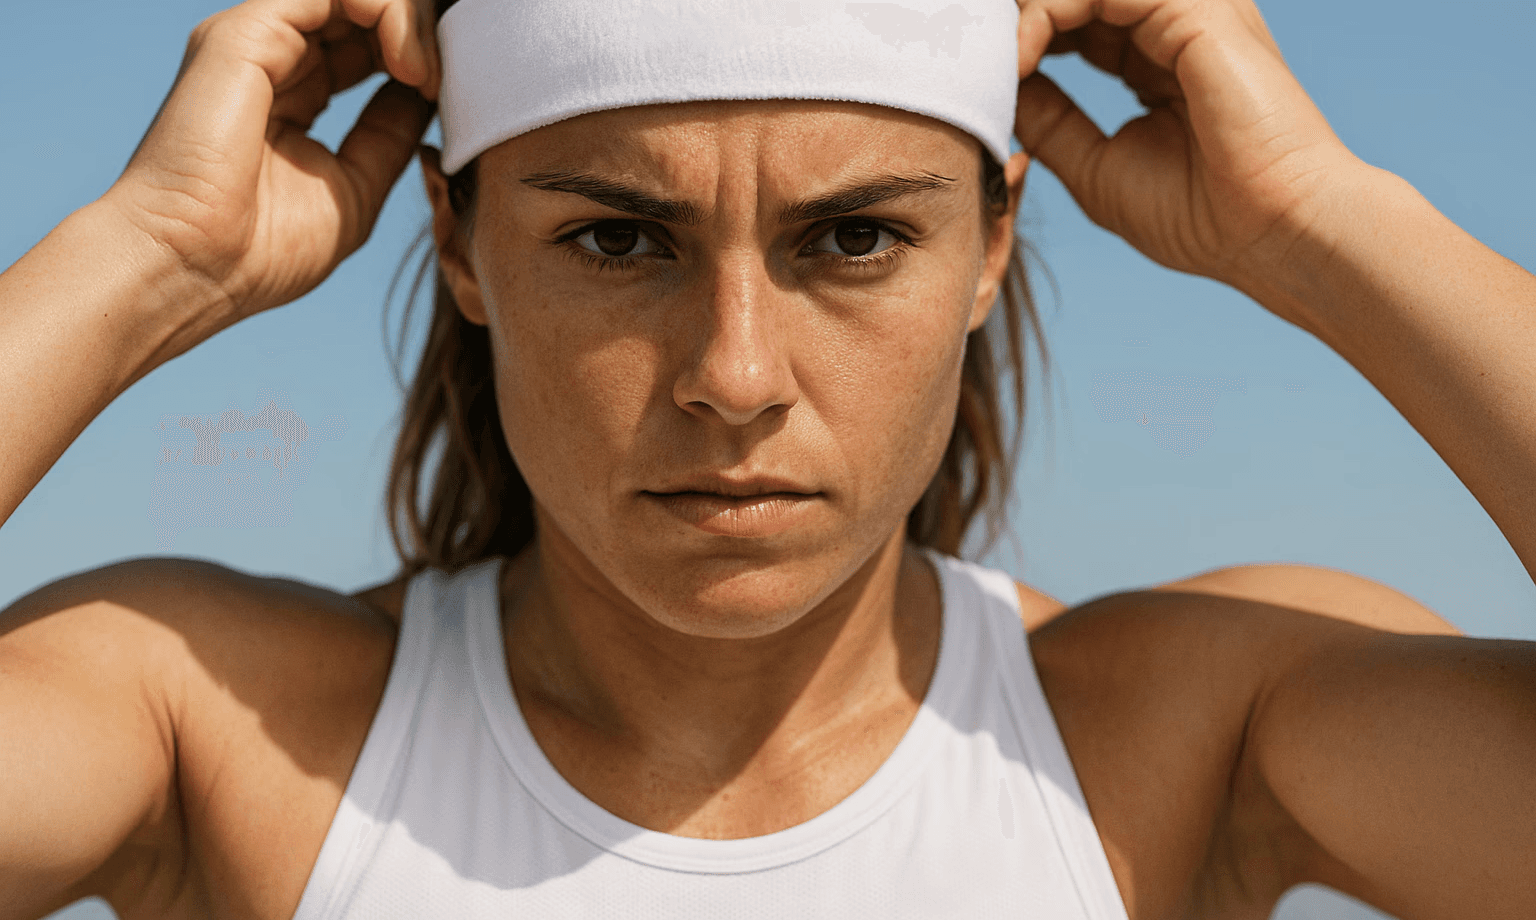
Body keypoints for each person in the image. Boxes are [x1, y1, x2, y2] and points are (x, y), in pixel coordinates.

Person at [2, 0, 1533, 917]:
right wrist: (147, 257)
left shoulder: (1191, 736)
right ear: (460, 243)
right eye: (616, 238)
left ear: (994, 244)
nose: (733, 376)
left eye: (854, 237)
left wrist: (1324, 224)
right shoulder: (217, 729)